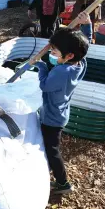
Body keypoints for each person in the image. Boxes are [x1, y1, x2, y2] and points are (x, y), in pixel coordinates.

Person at [32, 13, 90, 194]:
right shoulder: (80, 64)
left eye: (55, 52)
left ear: (69, 55)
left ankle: (63, 183)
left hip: (51, 118)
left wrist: (40, 66)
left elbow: (44, 85)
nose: (51, 53)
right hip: (61, 112)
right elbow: (86, 43)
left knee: (52, 149)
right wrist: (86, 25)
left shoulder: (61, 72)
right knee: (52, 144)